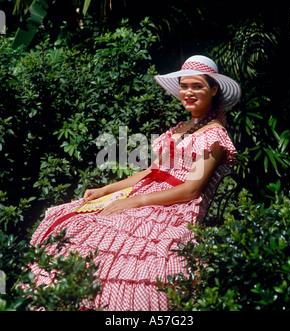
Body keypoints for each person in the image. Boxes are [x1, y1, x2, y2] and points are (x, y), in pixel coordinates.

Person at [29, 55, 241, 311]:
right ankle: (57, 298)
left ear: (214, 89)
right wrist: (107, 189)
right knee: (74, 217)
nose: (189, 92)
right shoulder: (183, 128)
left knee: (105, 232)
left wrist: (133, 202)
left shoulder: (213, 135)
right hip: (149, 190)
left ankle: (98, 303)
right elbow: (151, 172)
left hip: (171, 204)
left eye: (197, 86)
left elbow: (190, 189)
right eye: (184, 86)